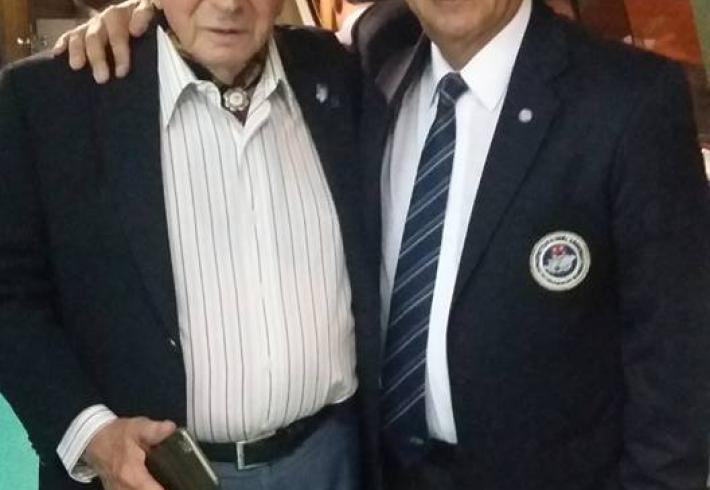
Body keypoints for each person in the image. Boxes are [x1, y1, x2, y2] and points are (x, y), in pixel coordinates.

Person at [54, 0, 710, 488]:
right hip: (382, 470)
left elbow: (677, 361)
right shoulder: (374, 58)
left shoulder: (628, 100)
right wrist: (142, 20)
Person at [0, 0, 381, 489]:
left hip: (332, 462)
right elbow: (10, 295)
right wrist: (90, 433)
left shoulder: (338, 70)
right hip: (153, 476)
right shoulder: (55, 100)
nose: (229, 4)